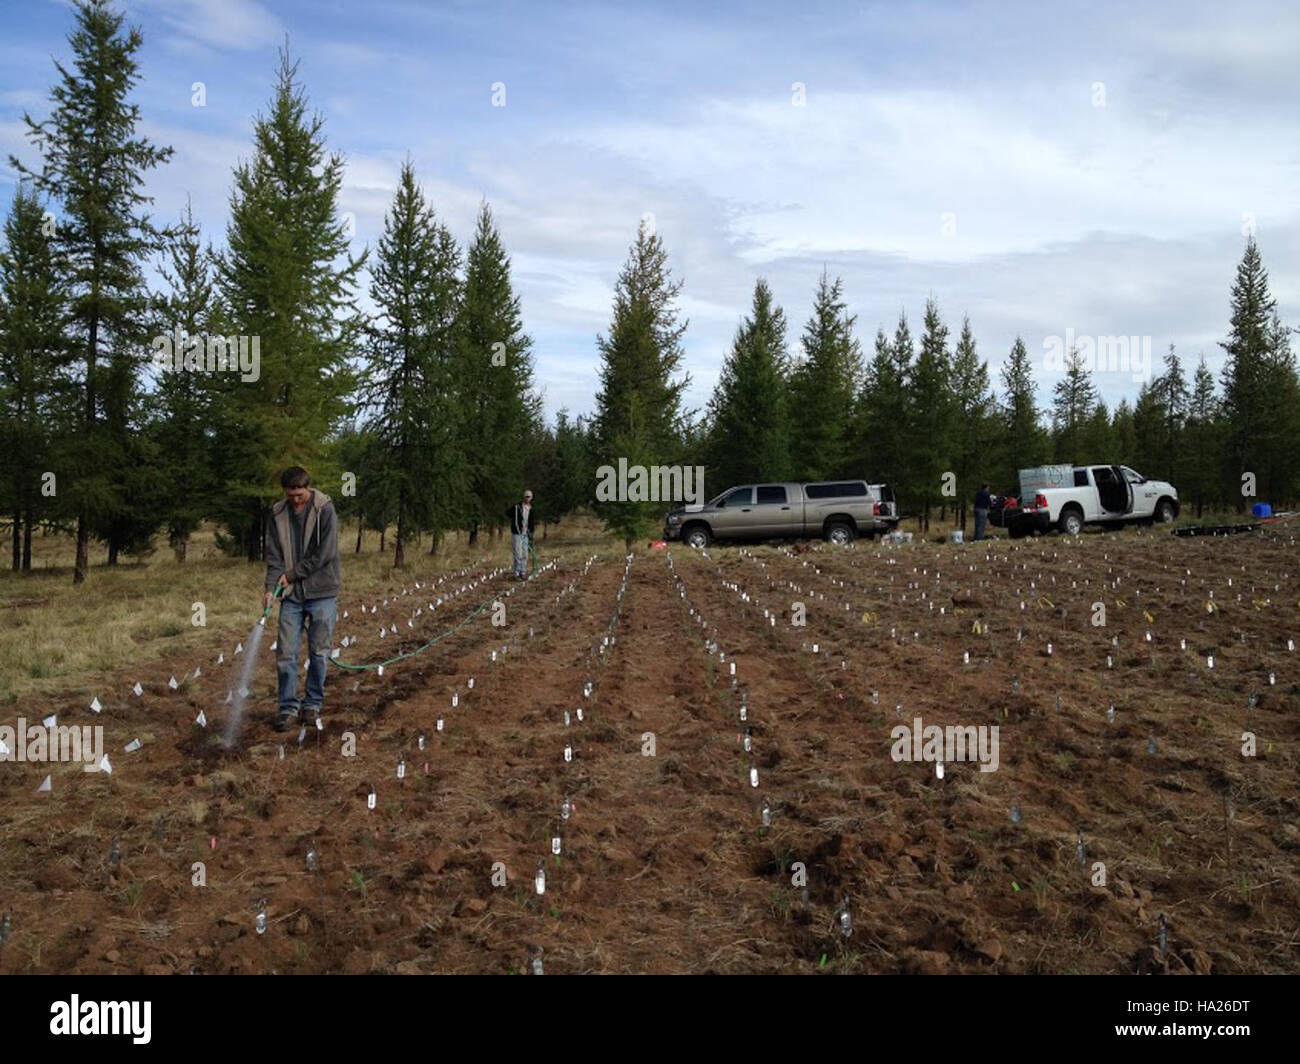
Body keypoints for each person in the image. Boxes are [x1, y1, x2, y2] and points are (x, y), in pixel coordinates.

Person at [264, 467, 342, 731]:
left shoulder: (324, 509)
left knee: (319, 653)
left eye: (299, 494)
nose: (295, 500)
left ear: (307, 488)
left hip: (322, 592)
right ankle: (287, 708)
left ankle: (312, 704)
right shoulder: (277, 514)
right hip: (291, 597)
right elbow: (274, 556)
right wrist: (269, 588)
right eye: (291, 495)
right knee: (285, 654)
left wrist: (294, 574)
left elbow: (325, 554)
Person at [507, 490, 535, 580]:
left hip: (525, 534)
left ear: (531, 498)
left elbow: (531, 521)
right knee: (517, 553)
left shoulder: (531, 509)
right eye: (526, 496)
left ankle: (523, 571)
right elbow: (508, 513)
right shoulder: (517, 507)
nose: (527, 498)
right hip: (517, 533)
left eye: (529, 497)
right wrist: (515, 523)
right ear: (523, 497)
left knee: (525, 554)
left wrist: (531, 531)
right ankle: (516, 572)